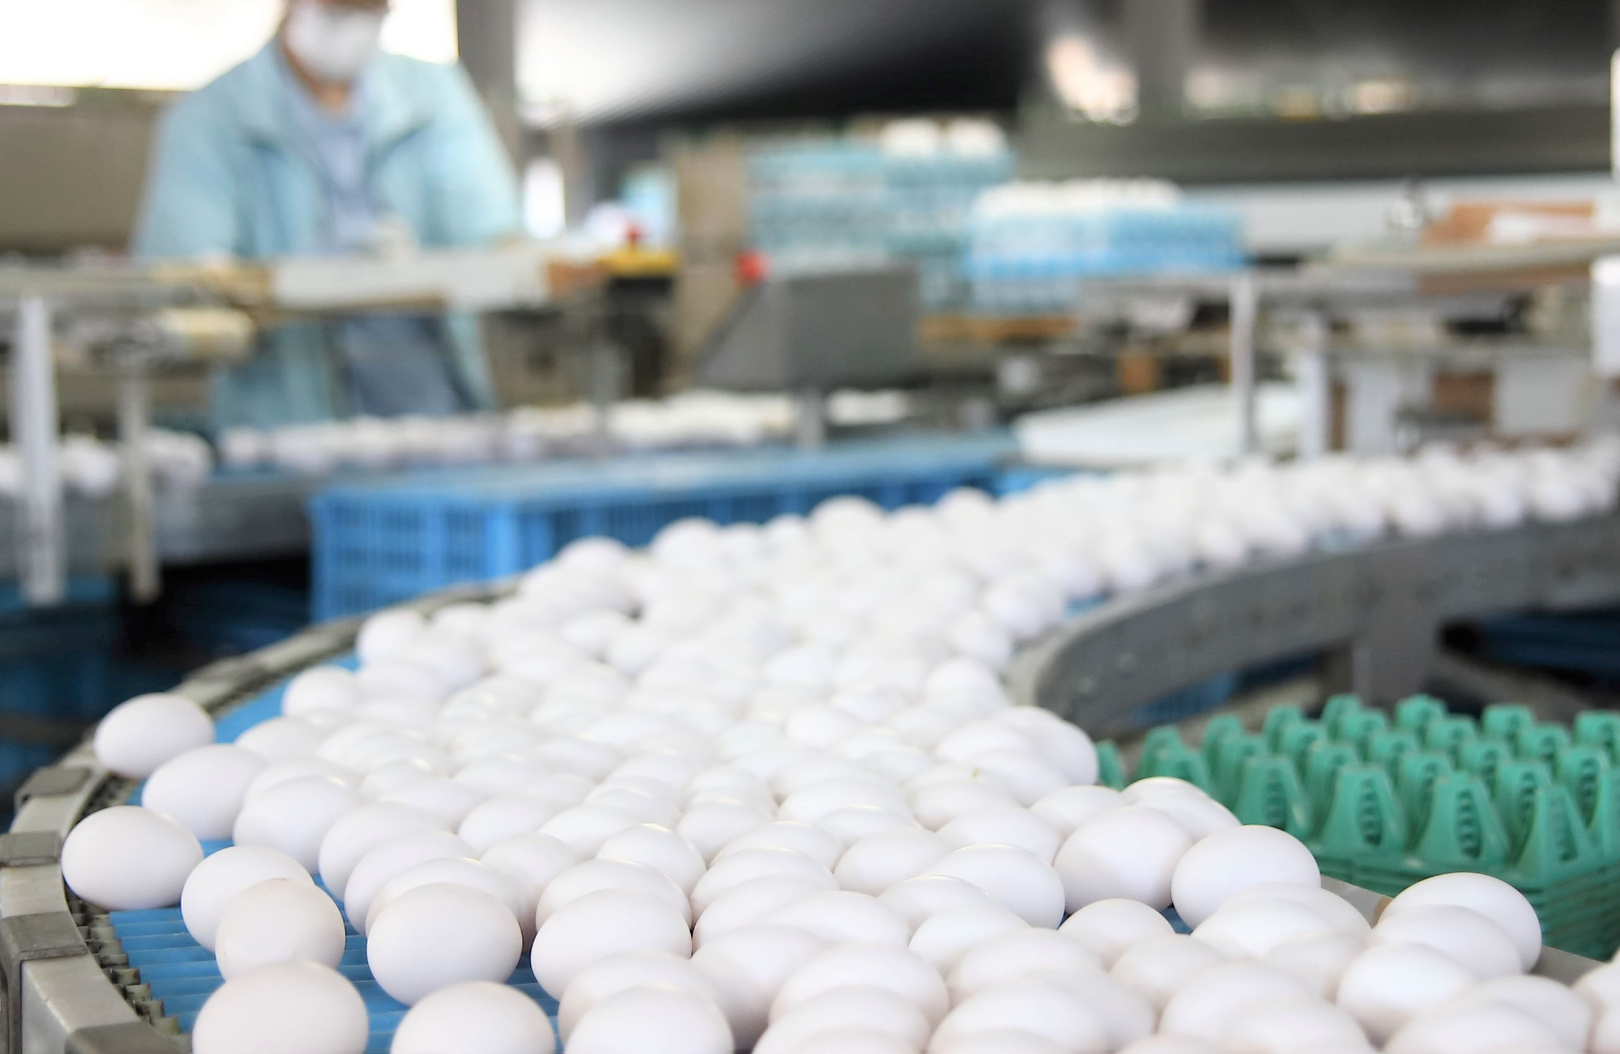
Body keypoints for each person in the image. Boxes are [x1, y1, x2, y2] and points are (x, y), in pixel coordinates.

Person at [133, 0, 521, 430]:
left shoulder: (433, 94)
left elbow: (495, 233)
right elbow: (185, 283)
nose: (355, 26)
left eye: (370, 11)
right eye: (339, 10)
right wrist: (298, 280)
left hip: (434, 413)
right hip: (279, 429)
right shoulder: (209, 118)